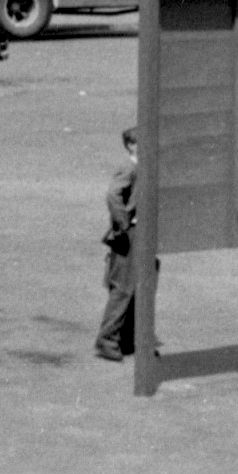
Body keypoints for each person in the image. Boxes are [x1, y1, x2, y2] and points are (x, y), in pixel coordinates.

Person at [96, 125, 140, 361]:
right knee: (122, 289)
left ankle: (124, 338)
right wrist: (123, 225)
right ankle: (107, 341)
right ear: (132, 145)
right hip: (129, 234)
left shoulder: (138, 167)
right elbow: (113, 195)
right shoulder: (129, 168)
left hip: (136, 233)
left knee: (133, 288)